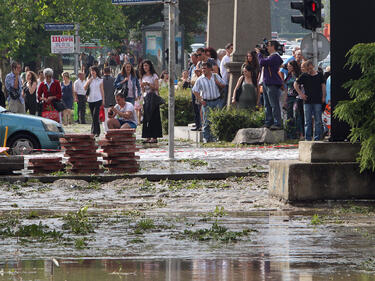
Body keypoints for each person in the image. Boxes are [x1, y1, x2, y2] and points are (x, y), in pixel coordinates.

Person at [192, 61, 226, 143]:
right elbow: (195, 90)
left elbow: (224, 84)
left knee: (216, 119)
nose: (203, 70)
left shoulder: (215, 76)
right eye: (202, 68)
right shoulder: (200, 79)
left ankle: (215, 137)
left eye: (205, 68)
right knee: (207, 121)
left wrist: (218, 83)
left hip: (217, 100)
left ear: (210, 69)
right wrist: (201, 100)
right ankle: (206, 138)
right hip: (206, 102)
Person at [294, 60, 326, 141]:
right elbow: (296, 84)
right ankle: (307, 138)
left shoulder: (320, 75)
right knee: (307, 121)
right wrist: (301, 94)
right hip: (307, 101)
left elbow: (323, 86)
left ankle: (317, 138)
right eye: (307, 69)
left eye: (310, 69)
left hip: (317, 100)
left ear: (313, 66)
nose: (309, 71)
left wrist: (323, 97)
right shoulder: (304, 75)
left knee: (318, 120)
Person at [256, 40, 284, 130]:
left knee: (274, 104)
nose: (267, 47)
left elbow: (262, 62)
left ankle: (277, 123)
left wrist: (259, 54)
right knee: (267, 104)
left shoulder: (275, 57)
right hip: (266, 82)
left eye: (268, 45)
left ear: (273, 47)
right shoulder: (270, 57)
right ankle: (268, 122)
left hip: (272, 83)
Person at [139, 59, 162, 144]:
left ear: (150, 66)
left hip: (153, 98)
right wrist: (143, 86)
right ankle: (147, 136)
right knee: (146, 117)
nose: (145, 67)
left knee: (154, 117)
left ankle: (154, 137)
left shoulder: (154, 76)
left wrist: (148, 84)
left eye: (147, 65)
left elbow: (156, 87)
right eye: (144, 66)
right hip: (146, 98)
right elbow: (142, 89)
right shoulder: (143, 76)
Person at [84, 66, 104, 137]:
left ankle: (93, 132)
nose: (92, 72)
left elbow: (102, 90)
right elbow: (85, 88)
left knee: (95, 115)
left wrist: (103, 100)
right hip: (90, 100)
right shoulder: (88, 79)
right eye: (91, 71)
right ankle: (97, 131)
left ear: (96, 71)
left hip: (98, 99)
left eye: (94, 71)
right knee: (94, 117)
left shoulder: (100, 80)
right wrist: (89, 81)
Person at [283, 61, 301, 139]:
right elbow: (286, 89)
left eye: (289, 66)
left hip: (296, 97)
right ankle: (290, 133)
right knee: (289, 115)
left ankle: (297, 132)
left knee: (296, 114)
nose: (288, 67)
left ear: (293, 67)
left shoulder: (298, 76)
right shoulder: (289, 76)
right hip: (289, 97)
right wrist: (284, 100)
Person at [189, 53, 202, 131]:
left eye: (193, 58)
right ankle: (197, 124)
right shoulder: (192, 67)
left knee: (199, 107)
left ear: (197, 58)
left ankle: (200, 125)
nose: (192, 60)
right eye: (191, 59)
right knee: (195, 108)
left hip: (198, 89)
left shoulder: (199, 66)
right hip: (193, 88)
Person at [102, 67, 116, 132]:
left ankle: (106, 130)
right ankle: (112, 129)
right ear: (110, 71)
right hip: (112, 100)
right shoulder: (114, 79)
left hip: (103, 101)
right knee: (112, 116)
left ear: (103, 71)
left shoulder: (101, 80)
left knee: (104, 117)